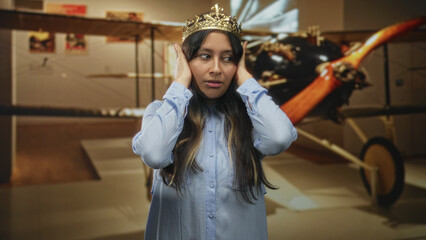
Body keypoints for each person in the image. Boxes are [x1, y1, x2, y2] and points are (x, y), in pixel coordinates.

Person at [132, 4, 297, 240]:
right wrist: (180, 82)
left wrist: (245, 78)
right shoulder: (161, 112)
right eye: (205, 56)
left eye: (228, 58)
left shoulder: (249, 120)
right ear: (186, 60)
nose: (217, 69)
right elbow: (154, 154)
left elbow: (280, 137)